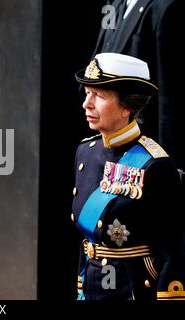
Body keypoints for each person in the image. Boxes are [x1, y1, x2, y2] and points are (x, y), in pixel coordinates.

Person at [71, 52, 185, 300]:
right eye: (87, 93)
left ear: (127, 107)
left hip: (131, 289)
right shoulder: (85, 152)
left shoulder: (155, 165)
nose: (86, 103)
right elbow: (89, 241)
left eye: (98, 96)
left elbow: (173, 253)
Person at [94, 0, 185, 170]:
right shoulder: (114, 5)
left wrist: (171, 165)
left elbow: (168, 99)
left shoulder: (164, 7)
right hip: (107, 146)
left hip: (141, 154)